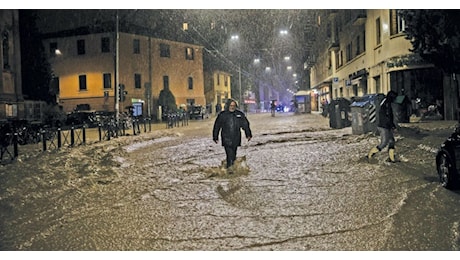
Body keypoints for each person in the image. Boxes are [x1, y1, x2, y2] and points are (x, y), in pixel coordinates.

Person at [213, 99, 252, 172]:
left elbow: (245, 124)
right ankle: (229, 169)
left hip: (236, 138)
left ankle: (232, 168)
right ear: (227, 106)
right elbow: (217, 126)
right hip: (226, 138)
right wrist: (215, 137)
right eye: (231, 105)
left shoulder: (239, 114)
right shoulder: (222, 115)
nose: (232, 107)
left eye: (234, 106)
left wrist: (248, 134)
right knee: (229, 154)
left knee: (233, 154)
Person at [368, 90, 399, 162]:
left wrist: (392, 126)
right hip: (384, 126)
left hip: (386, 126)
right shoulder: (387, 104)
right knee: (384, 143)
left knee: (391, 141)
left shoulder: (385, 102)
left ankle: (391, 159)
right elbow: (388, 117)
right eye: (395, 98)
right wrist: (393, 127)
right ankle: (370, 154)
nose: (395, 99)